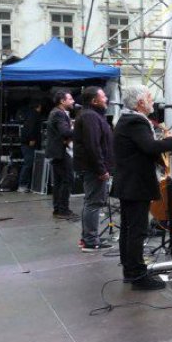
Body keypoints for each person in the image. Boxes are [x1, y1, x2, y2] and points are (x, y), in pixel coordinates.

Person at [112, 86, 172, 290]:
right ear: (140, 103)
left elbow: (143, 146)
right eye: (149, 98)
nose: (152, 102)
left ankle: (130, 269)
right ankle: (137, 275)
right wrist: (170, 141)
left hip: (129, 182)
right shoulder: (135, 121)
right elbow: (149, 147)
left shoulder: (127, 120)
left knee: (129, 228)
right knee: (136, 230)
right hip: (135, 184)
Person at [73, 86, 114, 252]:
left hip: (93, 167)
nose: (106, 99)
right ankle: (90, 240)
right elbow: (93, 145)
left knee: (93, 202)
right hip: (93, 168)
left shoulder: (92, 114)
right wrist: (101, 169)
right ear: (94, 100)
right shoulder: (90, 116)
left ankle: (89, 237)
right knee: (93, 202)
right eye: (103, 96)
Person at [45, 91, 76, 219]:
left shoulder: (57, 112)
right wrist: (76, 128)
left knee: (59, 182)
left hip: (57, 152)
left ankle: (58, 209)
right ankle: (63, 210)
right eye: (70, 99)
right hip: (60, 153)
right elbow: (65, 132)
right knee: (67, 180)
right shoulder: (58, 113)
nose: (73, 101)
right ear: (62, 101)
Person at [17, 100, 43, 193]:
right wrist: (31, 139)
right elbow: (31, 128)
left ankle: (25, 185)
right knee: (29, 163)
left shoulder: (29, 114)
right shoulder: (34, 115)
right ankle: (22, 185)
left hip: (27, 142)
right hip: (29, 143)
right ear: (38, 106)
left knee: (29, 163)